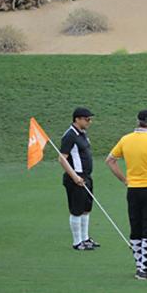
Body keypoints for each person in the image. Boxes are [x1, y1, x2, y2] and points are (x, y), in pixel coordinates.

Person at [105, 110, 147, 280]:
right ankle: (143, 269)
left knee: (136, 229)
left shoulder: (125, 139)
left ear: (137, 122)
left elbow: (110, 161)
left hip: (133, 190)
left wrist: (125, 180)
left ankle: (142, 267)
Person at [59, 107, 100, 251]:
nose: (89, 121)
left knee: (86, 209)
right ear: (77, 119)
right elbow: (62, 158)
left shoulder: (82, 133)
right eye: (87, 119)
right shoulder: (69, 135)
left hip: (86, 177)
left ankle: (85, 238)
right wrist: (75, 176)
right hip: (75, 179)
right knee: (76, 210)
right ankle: (77, 242)